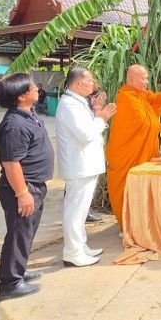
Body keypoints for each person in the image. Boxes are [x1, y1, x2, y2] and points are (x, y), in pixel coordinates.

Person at [0, 73, 53, 299]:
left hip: (33, 185)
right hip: (21, 187)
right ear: (21, 96)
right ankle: (10, 283)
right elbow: (11, 163)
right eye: (32, 87)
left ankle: (18, 270)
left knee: (24, 234)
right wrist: (22, 193)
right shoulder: (15, 125)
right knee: (19, 234)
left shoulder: (28, 114)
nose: (36, 88)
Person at [104, 65, 161, 226]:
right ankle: (130, 225)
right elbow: (145, 124)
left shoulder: (140, 94)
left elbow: (155, 100)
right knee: (128, 189)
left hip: (140, 152)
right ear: (131, 79)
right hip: (126, 155)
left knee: (142, 188)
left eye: (147, 78)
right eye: (143, 78)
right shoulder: (126, 97)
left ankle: (143, 224)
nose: (147, 81)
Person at [56, 67, 116, 267]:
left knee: (80, 211)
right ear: (77, 84)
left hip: (85, 164)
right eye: (89, 80)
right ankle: (72, 252)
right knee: (75, 211)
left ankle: (80, 247)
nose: (93, 83)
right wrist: (102, 117)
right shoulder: (70, 105)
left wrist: (97, 112)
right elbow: (85, 134)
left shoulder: (78, 102)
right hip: (79, 165)